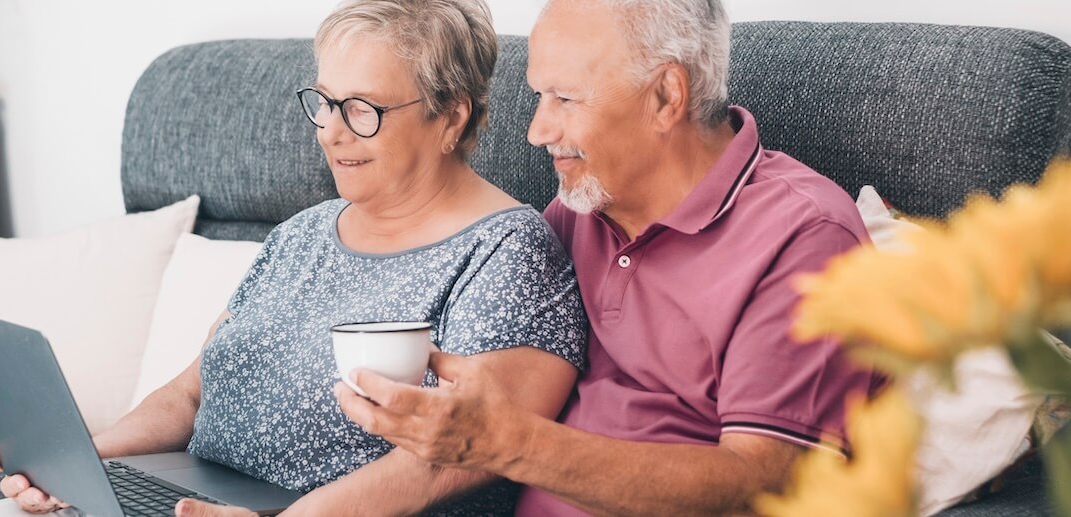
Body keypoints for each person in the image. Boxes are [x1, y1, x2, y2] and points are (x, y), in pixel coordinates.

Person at [0, 1, 587, 516]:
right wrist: (82, 461)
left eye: (362, 110)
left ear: (449, 116)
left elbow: (455, 460)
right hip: (189, 496)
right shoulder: (301, 235)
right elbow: (193, 392)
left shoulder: (509, 251)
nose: (330, 132)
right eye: (324, 102)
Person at [334, 0, 884, 515]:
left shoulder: (805, 237)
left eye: (565, 99)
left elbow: (761, 485)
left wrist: (508, 443)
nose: (537, 132)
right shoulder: (580, 204)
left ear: (667, 96)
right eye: (537, 97)